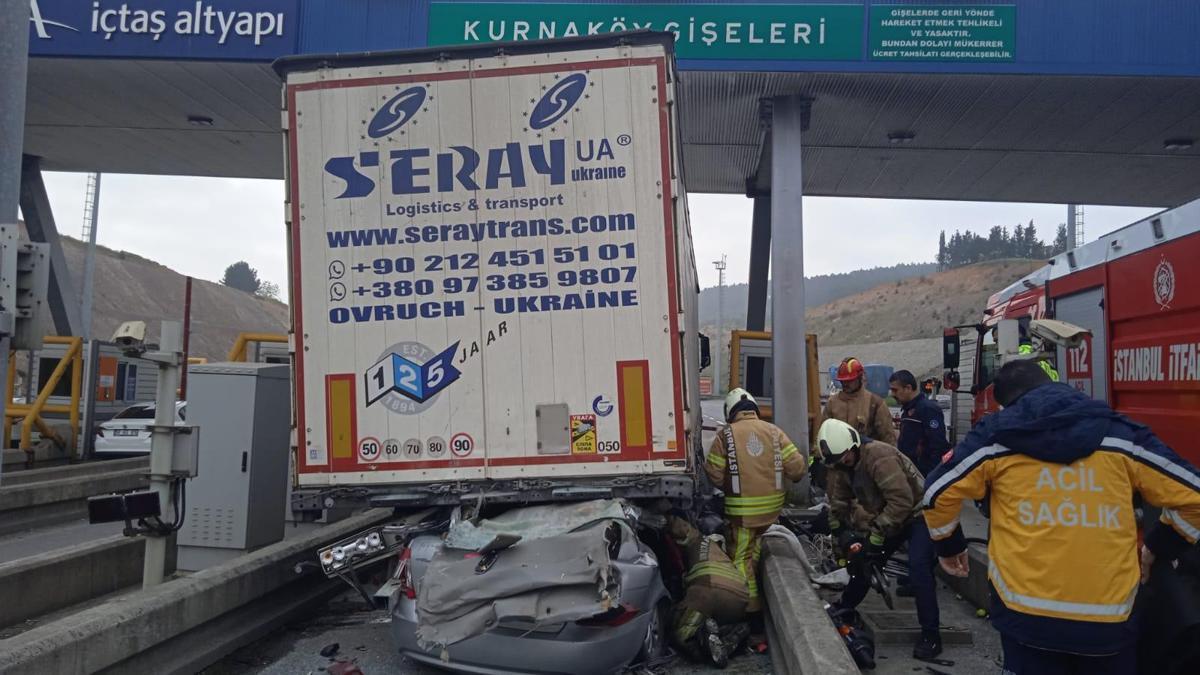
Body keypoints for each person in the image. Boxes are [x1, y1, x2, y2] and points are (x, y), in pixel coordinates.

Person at [923, 360, 1200, 673]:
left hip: (1025, 617)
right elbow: (1194, 497)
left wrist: (950, 547)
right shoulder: (1122, 435)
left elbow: (936, 493)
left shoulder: (997, 437)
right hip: (1108, 622)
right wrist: (1158, 547)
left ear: (1007, 403)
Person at [819, 418, 942, 659]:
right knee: (863, 561)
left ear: (853, 446)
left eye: (844, 459)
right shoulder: (844, 464)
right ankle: (845, 607)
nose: (842, 464)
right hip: (892, 516)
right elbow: (839, 501)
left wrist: (875, 537)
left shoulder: (879, 457)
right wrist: (839, 530)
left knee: (919, 569)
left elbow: (902, 502)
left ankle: (931, 636)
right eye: (837, 462)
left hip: (921, 514)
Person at [704, 388, 807, 622]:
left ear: (730, 412)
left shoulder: (726, 435)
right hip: (771, 511)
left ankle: (750, 610)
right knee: (755, 547)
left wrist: (733, 484)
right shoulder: (774, 431)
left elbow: (714, 474)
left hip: (742, 513)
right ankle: (758, 586)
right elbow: (797, 468)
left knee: (740, 557)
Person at [666, 516, 750, 667]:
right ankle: (730, 634)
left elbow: (679, 527)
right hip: (740, 598)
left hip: (704, 594)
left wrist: (665, 520)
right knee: (717, 619)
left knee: (681, 634)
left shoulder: (693, 538)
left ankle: (703, 645)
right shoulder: (719, 548)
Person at [888, 370, 950, 476]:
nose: (892, 394)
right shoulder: (907, 410)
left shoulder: (928, 409)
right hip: (911, 471)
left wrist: (931, 476)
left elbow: (938, 445)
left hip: (924, 473)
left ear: (908, 388)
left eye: (895, 390)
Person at [824, 357, 897, 445]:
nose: (845, 384)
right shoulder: (832, 403)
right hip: (838, 452)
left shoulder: (875, 403)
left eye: (850, 380)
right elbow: (823, 434)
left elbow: (888, 439)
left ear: (860, 378)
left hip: (867, 453)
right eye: (843, 381)